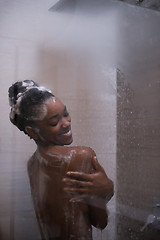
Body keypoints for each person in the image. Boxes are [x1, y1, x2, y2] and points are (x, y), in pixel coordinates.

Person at [8, 80, 114, 240]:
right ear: (33, 132)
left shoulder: (32, 164)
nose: (66, 123)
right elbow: (100, 222)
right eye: (54, 122)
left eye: (65, 113)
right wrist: (107, 189)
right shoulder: (81, 155)